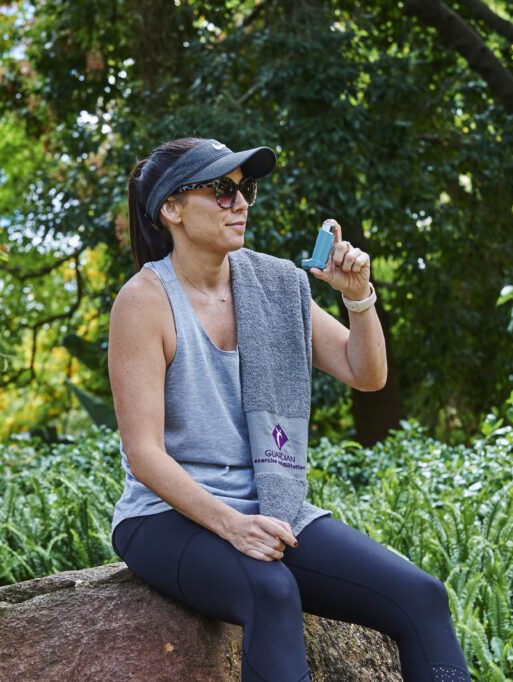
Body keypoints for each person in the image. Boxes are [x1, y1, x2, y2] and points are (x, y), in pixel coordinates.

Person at [108, 137, 470, 682]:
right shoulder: (144, 301)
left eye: (245, 189)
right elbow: (143, 454)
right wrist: (234, 526)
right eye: (219, 190)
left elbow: (366, 374)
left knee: (420, 595)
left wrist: (358, 297)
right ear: (171, 209)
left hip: (273, 502)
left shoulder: (275, 285)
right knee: (271, 590)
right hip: (167, 517)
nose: (241, 203)